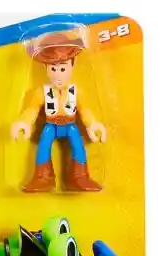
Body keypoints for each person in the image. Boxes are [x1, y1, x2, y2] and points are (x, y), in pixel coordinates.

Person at [11, 32, 106, 192]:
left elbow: (85, 110)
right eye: (53, 68)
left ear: (72, 65)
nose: (58, 74)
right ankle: (43, 177)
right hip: (50, 126)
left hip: (70, 125)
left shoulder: (76, 92)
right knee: (43, 146)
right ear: (46, 67)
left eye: (62, 68)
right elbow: (32, 109)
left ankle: (80, 177)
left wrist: (93, 124)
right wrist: (24, 123)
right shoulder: (41, 92)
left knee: (78, 146)